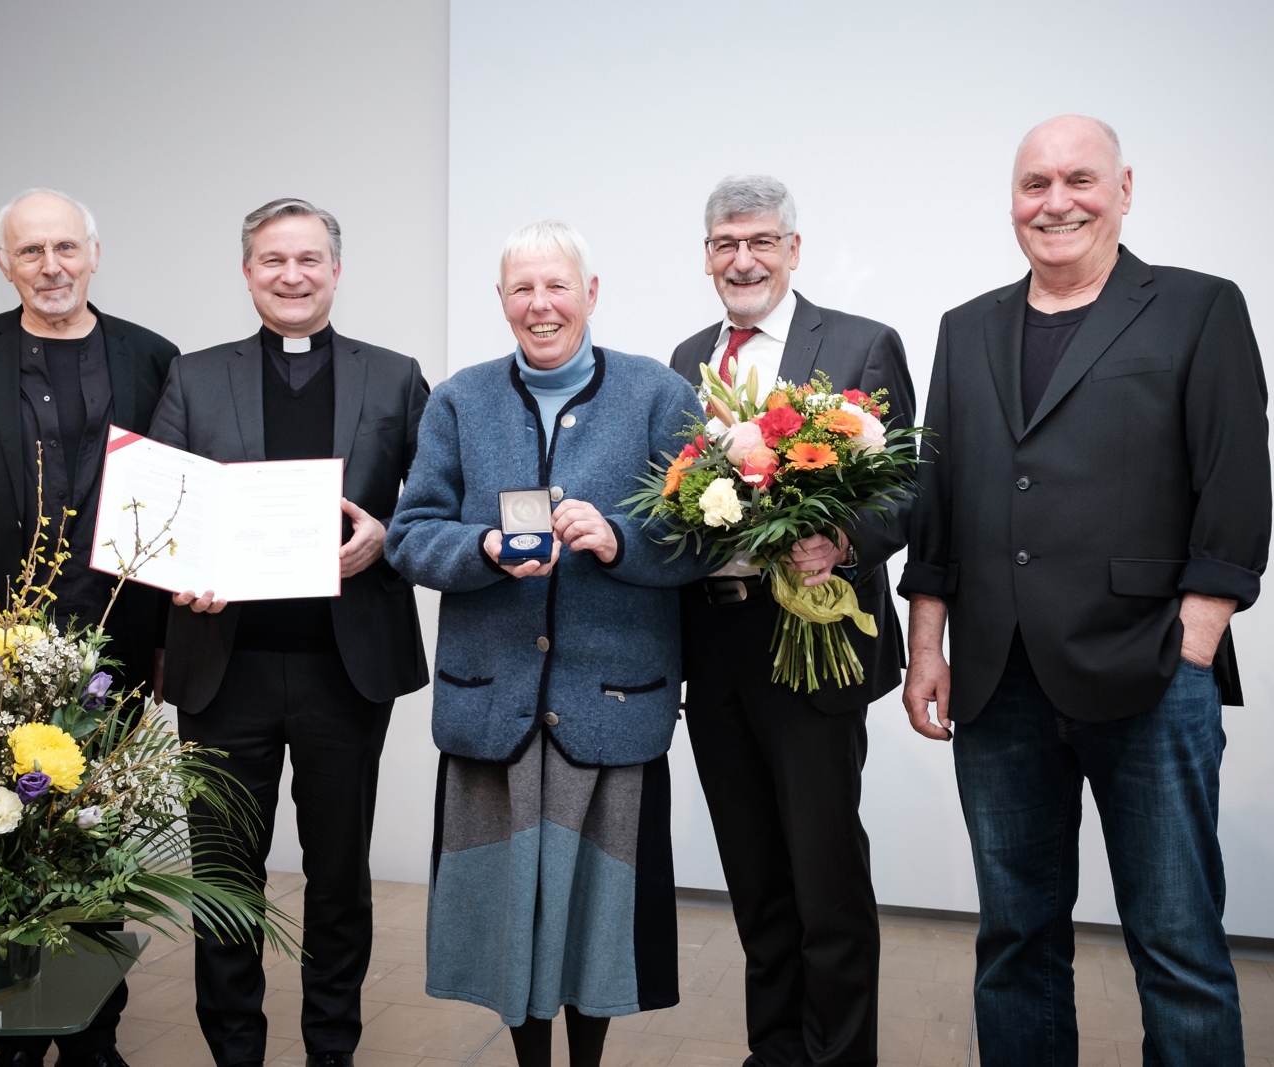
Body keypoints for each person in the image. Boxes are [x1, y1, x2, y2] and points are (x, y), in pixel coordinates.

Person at [899, 115, 1272, 1063]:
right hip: (997, 681)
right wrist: (927, 647)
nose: (1055, 201)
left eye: (1078, 179)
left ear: (1125, 187)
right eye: (1034, 183)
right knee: (1015, 940)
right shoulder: (967, 325)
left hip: (1148, 670)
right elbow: (940, 497)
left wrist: (1195, 635)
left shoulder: (1197, 307)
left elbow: (1233, 479)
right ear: (1013, 199)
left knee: (1177, 942)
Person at [386, 220, 711, 1067]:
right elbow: (410, 534)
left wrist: (619, 537)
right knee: (509, 922)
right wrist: (482, 549)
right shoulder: (459, 399)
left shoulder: (658, 395)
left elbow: (703, 539)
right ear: (502, 303)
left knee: (594, 924)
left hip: (609, 707)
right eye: (522, 289)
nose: (541, 304)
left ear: (591, 294)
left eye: (557, 286)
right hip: (493, 706)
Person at [0, 188, 179, 1067]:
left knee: (95, 848)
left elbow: (172, 500)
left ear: (94, 253)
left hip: (116, 647)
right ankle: (13, 1036)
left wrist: (167, 637)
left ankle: (94, 1036)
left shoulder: (152, 356)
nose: (50, 267)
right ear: (4, 264)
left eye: (65, 248)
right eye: (30, 252)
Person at [148, 197, 429, 1067]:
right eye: (273, 260)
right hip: (221, 670)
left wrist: (385, 534)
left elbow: (432, 500)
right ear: (247, 272)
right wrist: (178, 566)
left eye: (309, 259)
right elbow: (159, 510)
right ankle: (235, 1051)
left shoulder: (394, 375)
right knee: (225, 882)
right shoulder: (194, 377)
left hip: (344, 673)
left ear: (336, 270)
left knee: (339, 879)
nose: (293, 276)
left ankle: (331, 1052)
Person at [669, 176, 914, 1066]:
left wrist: (843, 539)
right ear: (706, 257)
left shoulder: (857, 345)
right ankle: (773, 1052)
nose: (744, 259)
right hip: (715, 643)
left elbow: (909, 494)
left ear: (794, 249)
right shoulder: (686, 358)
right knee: (756, 878)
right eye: (726, 243)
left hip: (813, 636)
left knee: (826, 878)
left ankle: (839, 1057)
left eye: (761, 241)